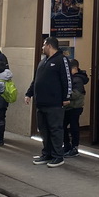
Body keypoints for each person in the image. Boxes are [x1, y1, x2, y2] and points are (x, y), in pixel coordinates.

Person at [24, 35, 71, 167]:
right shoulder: (43, 61)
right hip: (41, 103)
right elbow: (36, 80)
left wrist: (66, 97)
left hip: (55, 103)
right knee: (44, 130)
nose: (42, 47)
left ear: (49, 45)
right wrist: (29, 93)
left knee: (55, 129)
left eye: (44, 45)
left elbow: (67, 80)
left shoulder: (62, 60)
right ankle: (47, 154)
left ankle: (58, 156)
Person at [63, 58, 88, 157]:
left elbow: (76, 94)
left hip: (75, 107)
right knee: (63, 125)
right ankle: (67, 145)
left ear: (75, 68)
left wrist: (65, 95)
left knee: (74, 127)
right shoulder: (74, 78)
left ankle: (74, 147)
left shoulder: (78, 79)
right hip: (69, 107)